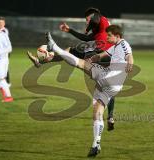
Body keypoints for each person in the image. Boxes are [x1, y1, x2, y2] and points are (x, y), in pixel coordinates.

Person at [45, 25, 133, 157]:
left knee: (80, 64)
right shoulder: (114, 47)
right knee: (97, 111)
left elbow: (129, 56)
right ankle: (96, 145)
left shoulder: (123, 43)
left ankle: (54, 47)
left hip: (111, 78)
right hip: (111, 85)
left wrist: (130, 64)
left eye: (109, 35)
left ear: (118, 36)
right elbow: (101, 56)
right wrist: (93, 58)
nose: (107, 37)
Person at [27, 7, 116, 130]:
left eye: (87, 19)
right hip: (109, 56)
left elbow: (95, 19)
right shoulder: (99, 28)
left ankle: (44, 60)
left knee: (69, 52)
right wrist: (70, 30)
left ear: (93, 16)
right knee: (107, 85)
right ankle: (111, 117)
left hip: (99, 52)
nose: (86, 22)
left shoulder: (100, 19)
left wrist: (87, 27)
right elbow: (86, 38)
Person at [0, 16, 12, 85]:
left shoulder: (4, 30)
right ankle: (2, 82)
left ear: (4, 23)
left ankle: (7, 82)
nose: (1, 24)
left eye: (2, 22)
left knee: (4, 67)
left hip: (5, 52)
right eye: (0, 23)